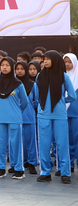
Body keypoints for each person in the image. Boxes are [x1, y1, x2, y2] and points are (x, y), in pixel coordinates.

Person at [32, 51, 76, 183]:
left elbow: (73, 95)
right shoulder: (40, 76)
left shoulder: (64, 77)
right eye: (44, 59)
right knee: (44, 145)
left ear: (55, 60)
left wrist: (61, 101)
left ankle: (64, 172)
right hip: (45, 114)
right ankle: (46, 172)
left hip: (58, 115)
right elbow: (37, 94)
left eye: (48, 59)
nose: (45, 62)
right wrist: (61, 102)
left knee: (62, 144)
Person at [0, 57, 29, 179]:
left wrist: (16, 111)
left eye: (7, 65)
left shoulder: (18, 84)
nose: (4, 67)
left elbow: (24, 102)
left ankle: (19, 169)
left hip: (14, 119)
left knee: (16, 144)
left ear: (12, 67)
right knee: (0, 145)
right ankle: (1, 168)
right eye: (2, 65)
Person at [15, 60, 39, 175]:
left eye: (22, 69)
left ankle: (32, 163)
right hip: (15, 117)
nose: (19, 71)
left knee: (31, 141)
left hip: (29, 117)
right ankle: (20, 162)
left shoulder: (32, 85)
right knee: (18, 141)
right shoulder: (12, 84)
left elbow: (37, 100)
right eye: (17, 68)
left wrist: (30, 107)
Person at [64, 54, 78, 173]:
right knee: (65, 139)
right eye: (65, 62)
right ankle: (68, 165)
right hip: (63, 113)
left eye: (69, 62)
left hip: (76, 113)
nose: (67, 64)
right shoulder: (62, 77)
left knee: (76, 138)